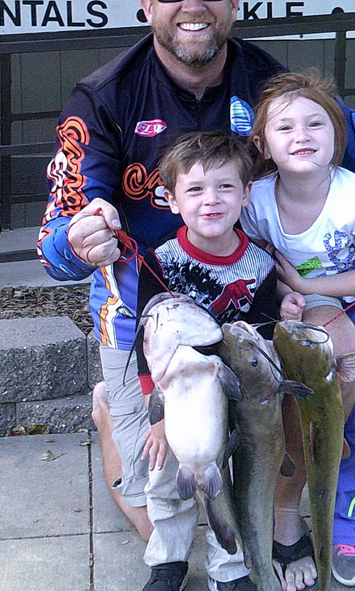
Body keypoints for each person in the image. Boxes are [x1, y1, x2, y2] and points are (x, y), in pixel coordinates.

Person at [37, 0, 355, 591]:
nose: (192, 2)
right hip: (149, 314)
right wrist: (77, 238)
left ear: (234, 0)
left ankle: (348, 466)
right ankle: (117, 410)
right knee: (169, 516)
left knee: (287, 417)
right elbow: (58, 234)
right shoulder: (104, 95)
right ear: (147, 4)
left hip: (247, 293)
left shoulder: (269, 84)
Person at [240, 70, 355, 588]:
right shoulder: (256, 199)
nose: (302, 136)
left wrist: (301, 280)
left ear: (337, 136)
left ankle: (346, 529)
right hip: (310, 300)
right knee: (305, 410)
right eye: (285, 127)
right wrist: (287, 295)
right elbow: (262, 265)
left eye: (317, 124)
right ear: (264, 145)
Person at [133, 131, 302, 591]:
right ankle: (167, 561)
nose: (211, 201)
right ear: (171, 199)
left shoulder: (260, 267)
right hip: (177, 397)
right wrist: (155, 415)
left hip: (231, 397)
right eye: (195, 190)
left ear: (246, 193)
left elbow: (261, 347)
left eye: (225, 187)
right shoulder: (160, 262)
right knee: (166, 479)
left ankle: (230, 569)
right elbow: (144, 340)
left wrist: (283, 314)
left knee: (227, 479)